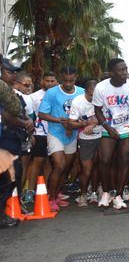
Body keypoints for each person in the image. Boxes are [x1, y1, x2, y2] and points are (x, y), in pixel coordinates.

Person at [93, 58, 129, 210]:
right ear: (111, 72)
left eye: (125, 69)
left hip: (126, 127)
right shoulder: (101, 87)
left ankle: (118, 195)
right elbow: (97, 110)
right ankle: (106, 192)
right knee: (105, 160)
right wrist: (107, 127)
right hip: (109, 127)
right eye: (120, 70)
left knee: (125, 159)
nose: (124, 73)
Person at [38, 66, 84, 212]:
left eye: (71, 80)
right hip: (55, 133)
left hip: (72, 135)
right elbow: (42, 114)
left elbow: (85, 113)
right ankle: (50, 199)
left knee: (65, 168)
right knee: (59, 165)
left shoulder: (81, 92)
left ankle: (57, 194)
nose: (68, 83)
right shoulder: (52, 93)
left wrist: (74, 125)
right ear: (61, 77)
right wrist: (60, 121)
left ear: (76, 77)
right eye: (65, 80)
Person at [0, 73, 33, 229]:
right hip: (6, 139)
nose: (10, 74)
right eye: (8, 71)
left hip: (9, 138)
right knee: (8, 177)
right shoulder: (3, 89)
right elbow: (10, 113)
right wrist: (25, 124)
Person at [23, 71, 57, 204]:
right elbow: (29, 116)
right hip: (40, 133)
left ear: (56, 81)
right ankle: (30, 192)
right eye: (47, 81)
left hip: (55, 133)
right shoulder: (34, 97)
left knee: (50, 162)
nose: (49, 83)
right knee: (38, 161)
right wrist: (31, 134)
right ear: (42, 81)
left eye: (52, 81)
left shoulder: (58, 95)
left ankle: (45, 190)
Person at [68, 78, 102, 206]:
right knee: (87, 169)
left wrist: (93, 124)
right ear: (85, 92)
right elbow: (71, 123)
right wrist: (84, 123)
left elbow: (109, 115)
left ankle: (94, 191)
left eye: (96, 95)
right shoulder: (78, 101)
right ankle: (82, 194)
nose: (94, 98)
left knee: (99, 166)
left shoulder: (102, 98)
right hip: (86, 138)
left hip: (102, 135)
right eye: (91, 95)